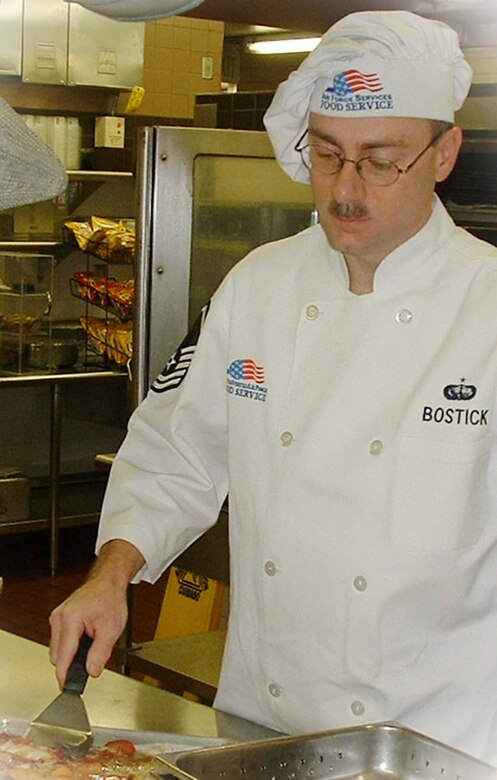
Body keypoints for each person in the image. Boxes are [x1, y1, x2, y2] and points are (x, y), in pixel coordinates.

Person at [50, 10, 497, 764]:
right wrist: (111, 573)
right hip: (266, 720)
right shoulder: (256, 285)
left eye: (380, 160)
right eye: (326, 155)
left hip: (441, 737)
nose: (346, 188)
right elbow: (175, 452)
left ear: (443, 153)